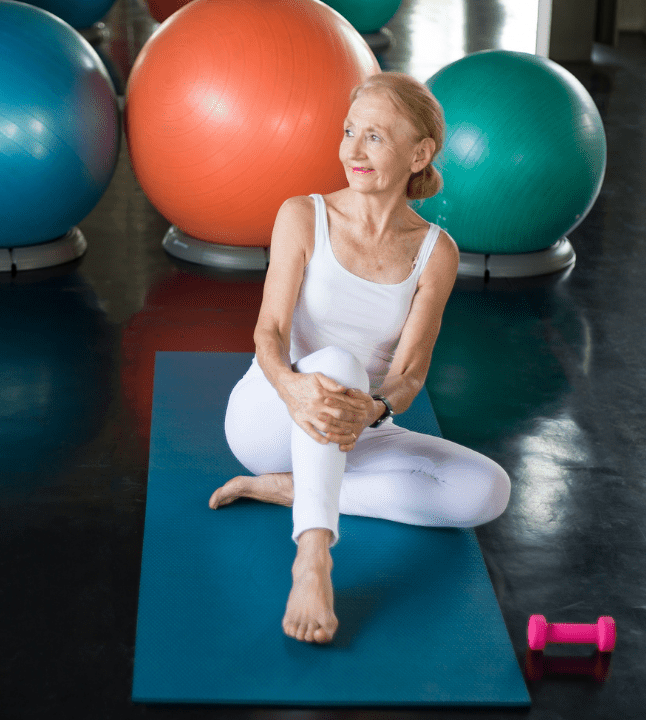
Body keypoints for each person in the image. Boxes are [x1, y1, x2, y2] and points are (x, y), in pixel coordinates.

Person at [210, 72, 511, 645]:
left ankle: (286, 488)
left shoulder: (436, 252)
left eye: (375, 136)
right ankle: (314, 559)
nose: (352, 149)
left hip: (353, 426)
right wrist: (293, 387)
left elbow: (409, 373)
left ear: (419, 153)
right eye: (350, 131)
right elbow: (268, 331)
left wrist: (372, 411)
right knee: (339, 365)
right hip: (270, 412)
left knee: (487, 490)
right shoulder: (303, 215)